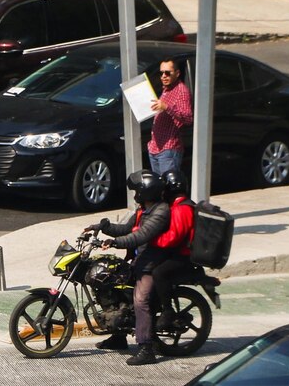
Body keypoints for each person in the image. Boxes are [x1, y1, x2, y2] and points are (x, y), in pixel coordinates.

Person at [94, 169, 170, 366]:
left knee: (140, 300)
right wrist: (102, 227)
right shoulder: (143, 209)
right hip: (139, 261)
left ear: (145, 191)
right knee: (107, 282)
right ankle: (118, 337)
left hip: (152, 264)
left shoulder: (161, 212)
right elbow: (126, 229)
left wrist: (115, 243)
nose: (135, 195)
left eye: (137, 191)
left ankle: (147, 348)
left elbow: (140, 235)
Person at [152, 169, 196, 331]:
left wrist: (152, 240)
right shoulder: (178, 206)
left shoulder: (182, 209)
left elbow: (173, 237)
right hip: (178, 253)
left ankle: (168, 310)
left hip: (183, 257)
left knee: (158, 273)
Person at [148, 59, 193, 175]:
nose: (163, 76)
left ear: (177, 73)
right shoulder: (166, 89)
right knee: (159, 189)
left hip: (169, 150)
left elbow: (188, 118)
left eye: (168, 73)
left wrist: (167, 107)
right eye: (161, 73)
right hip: (155, 147)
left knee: (169, 188)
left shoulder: (181, 91)